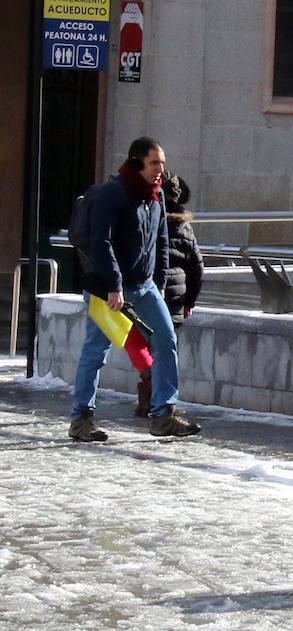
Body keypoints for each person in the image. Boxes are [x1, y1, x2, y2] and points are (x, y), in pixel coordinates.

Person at [69, 137, 201, 441]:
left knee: (166, 339)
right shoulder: (111, 195)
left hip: (144, 286)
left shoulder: (156, 197)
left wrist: (161, 283)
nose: (161, 170)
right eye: (155, 163)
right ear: (136, 161)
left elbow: (161, 242)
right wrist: (114, 286)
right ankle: (81, 418)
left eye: (163, 163)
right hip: (107, 288)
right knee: (96, 350)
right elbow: (102, 242)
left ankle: (163, 413)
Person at [127, 172, 204, 417]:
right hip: (177, 298)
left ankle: (149, 384)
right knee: (164, 346)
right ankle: (155, 399)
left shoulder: (149, 218)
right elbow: (197, 267)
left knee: (134, 339)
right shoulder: (185, 228)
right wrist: (190, 300)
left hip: (150, 289)